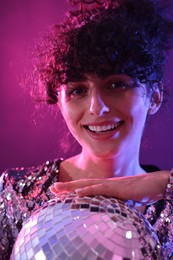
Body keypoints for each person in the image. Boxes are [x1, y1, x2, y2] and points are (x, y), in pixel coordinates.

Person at [0, 0, 173, 259]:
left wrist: (167, 185)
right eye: (78, 90)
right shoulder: (15, 194)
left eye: (116, 85)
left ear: (154, 96)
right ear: (58, 102)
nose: (96, 107)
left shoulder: (168, 207)